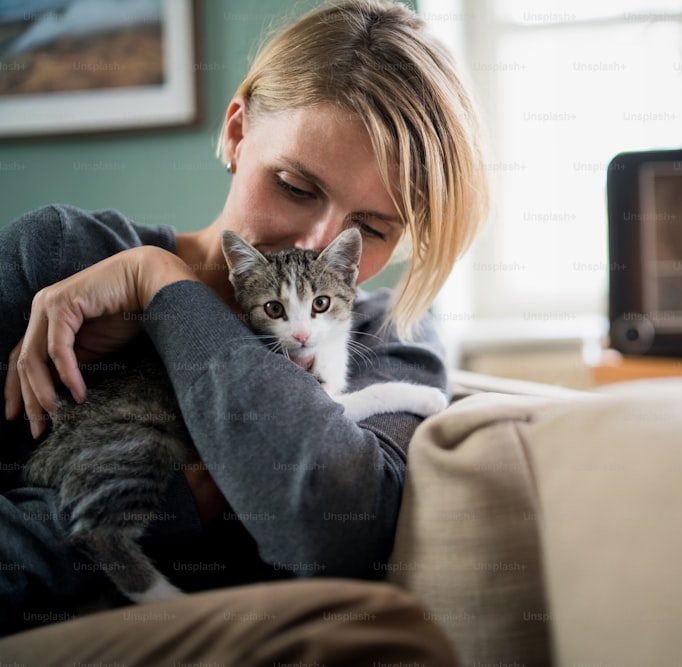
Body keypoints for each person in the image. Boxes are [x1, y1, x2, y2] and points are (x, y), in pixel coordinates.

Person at [0, 0, 487, 662]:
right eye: (293, 185)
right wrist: (173, 504)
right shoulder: (60, 256)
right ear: (236, 132)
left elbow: (322, 531)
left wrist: (161, 286)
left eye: (370, 229)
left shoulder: (394, 339)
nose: (317, 243)